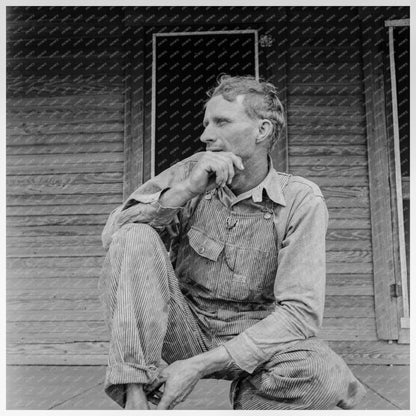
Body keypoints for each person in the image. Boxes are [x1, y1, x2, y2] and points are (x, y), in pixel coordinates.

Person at [99, 75, 366, 410]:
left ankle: (252, 400)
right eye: (207, 123)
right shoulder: (193, 173)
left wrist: (197, 367)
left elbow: (299, 315)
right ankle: (137, 400)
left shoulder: (301, 199)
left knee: (325, 375)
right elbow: (114, 236)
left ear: (263, 130)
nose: (206, 135)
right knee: (134, 233)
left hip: (255, 333)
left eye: (222, 122)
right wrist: (185, 191)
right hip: (183, 326)